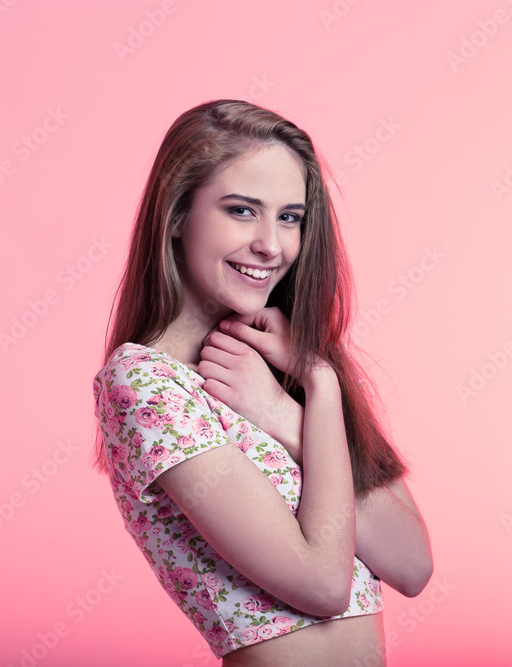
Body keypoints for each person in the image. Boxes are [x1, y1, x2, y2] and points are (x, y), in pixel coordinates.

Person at [92, 99, 433, 666]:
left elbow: (413, 565)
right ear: (178, 215)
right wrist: (320, 391)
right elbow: (322, 586)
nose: (271, 246)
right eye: (242, 211)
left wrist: (290, 411)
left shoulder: (291, 368)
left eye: (290, 217)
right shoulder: (146, 386)